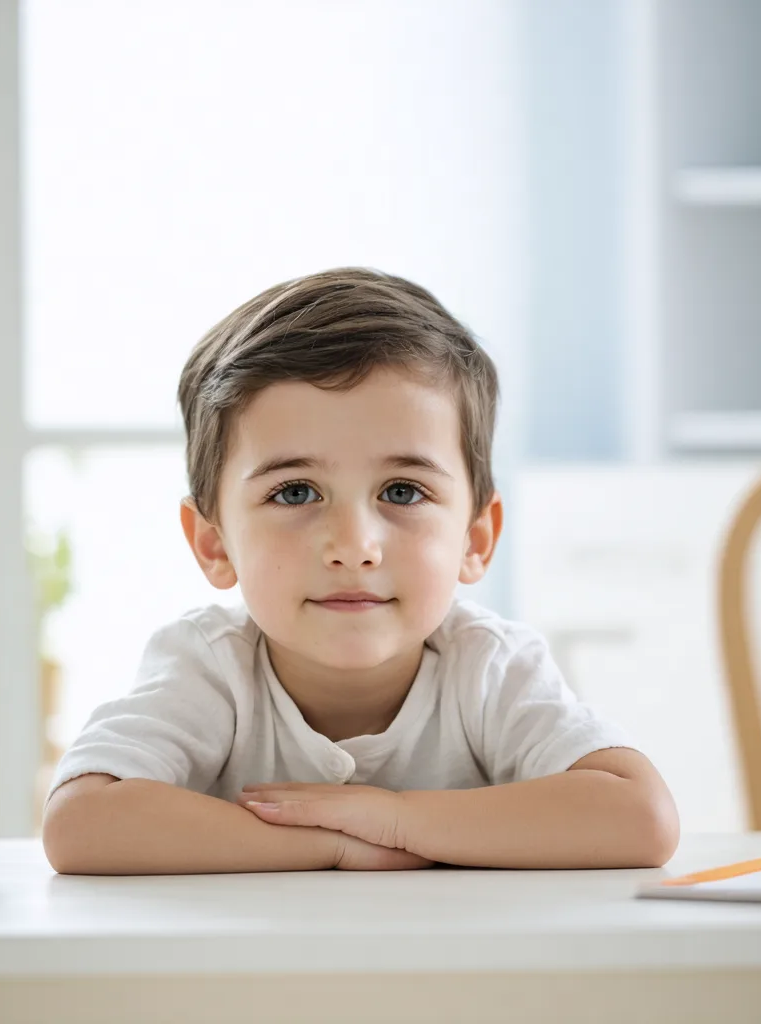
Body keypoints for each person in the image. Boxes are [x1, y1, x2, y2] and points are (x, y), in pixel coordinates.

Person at [41, 267, 679, 875]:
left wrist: (395, 818)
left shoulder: (488, 666)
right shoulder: (210, 667)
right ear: (214, 545)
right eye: (295, 493)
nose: (353, 546)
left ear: (475, 539)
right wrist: (333, 846)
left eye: (402, 492)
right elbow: (81, 821)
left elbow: (640, 816)